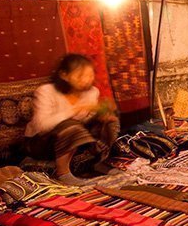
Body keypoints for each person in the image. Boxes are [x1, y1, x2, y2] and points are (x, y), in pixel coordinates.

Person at [24, 54, 119, 186]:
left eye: (90, 75)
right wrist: (74, 110)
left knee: (108, 122)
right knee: (70, 125)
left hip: (74, 140)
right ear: (64, 75)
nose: (86, 80)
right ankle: (63, 173)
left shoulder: (92, 92)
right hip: (41, 143)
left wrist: (100, 115)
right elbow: (42, 126)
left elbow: (84, 122)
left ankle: (96, 162)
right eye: (80, 76)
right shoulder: (46, 91)